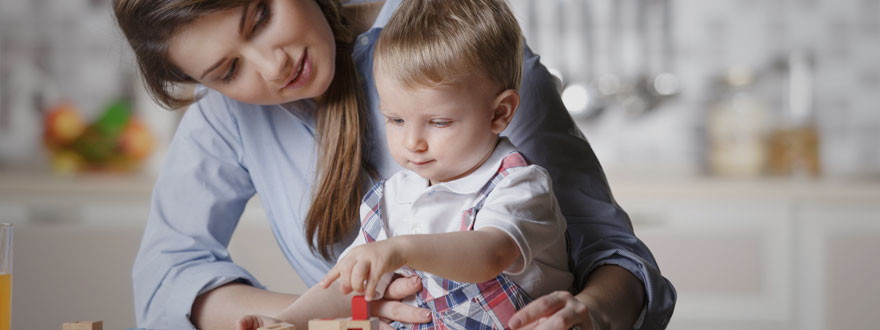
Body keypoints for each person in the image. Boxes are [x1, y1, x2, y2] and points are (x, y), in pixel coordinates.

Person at [112, 0, 676, 329]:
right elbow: (167, 275)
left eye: (260, 16)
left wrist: (589, 316)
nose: (273, 65)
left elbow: (614, 257)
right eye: (227, 70)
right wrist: (329, 317)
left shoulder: (453, 56)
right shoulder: (229, 116)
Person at [235, 0, 572, 328]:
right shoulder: (393, 198)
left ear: (499, 113)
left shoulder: (519, 185)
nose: (412, 142)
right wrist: (285, 321)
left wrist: (401, 249)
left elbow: (490, 255)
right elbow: (348, 287)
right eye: (395, 119)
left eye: (439, 122)